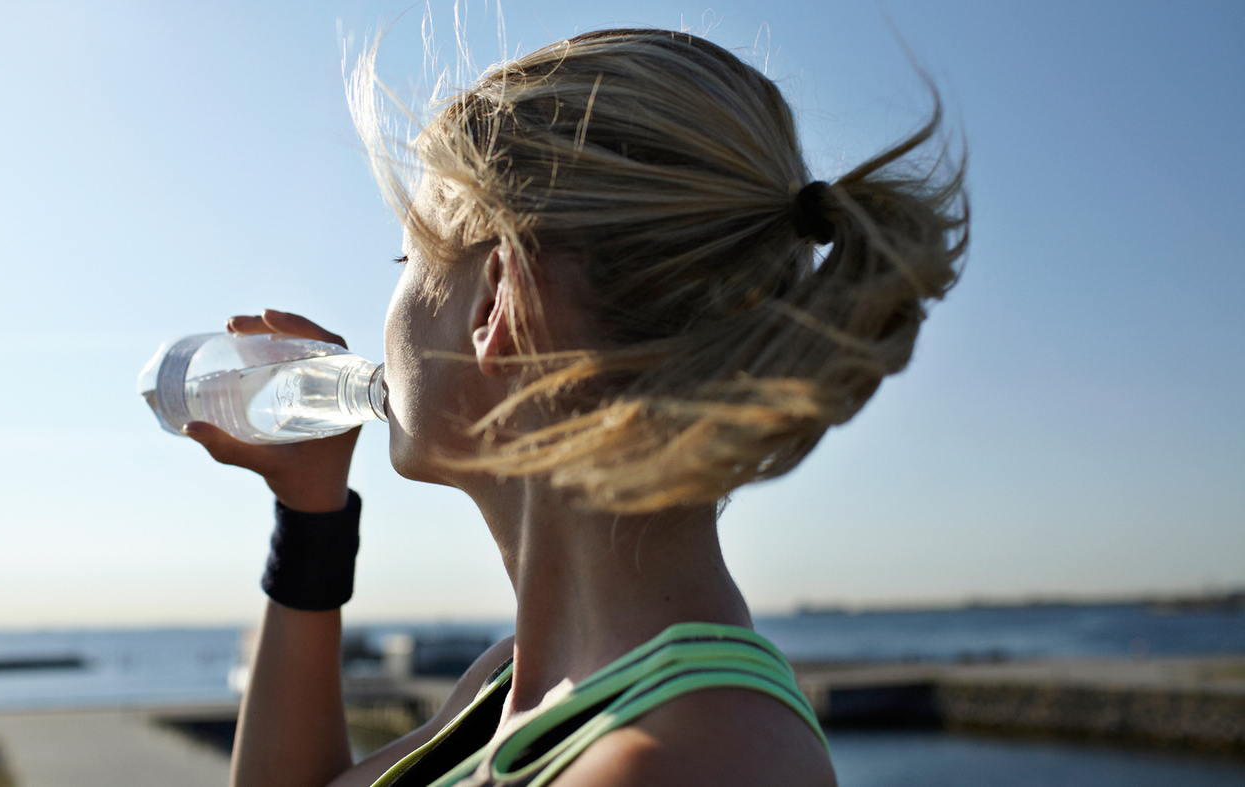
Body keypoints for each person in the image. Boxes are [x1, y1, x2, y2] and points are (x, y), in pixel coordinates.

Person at [181, 27, 967, 787]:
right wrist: (311, 515)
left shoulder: (691, 761)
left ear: (498, 303)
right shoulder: (515, 681)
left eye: (408, 257)